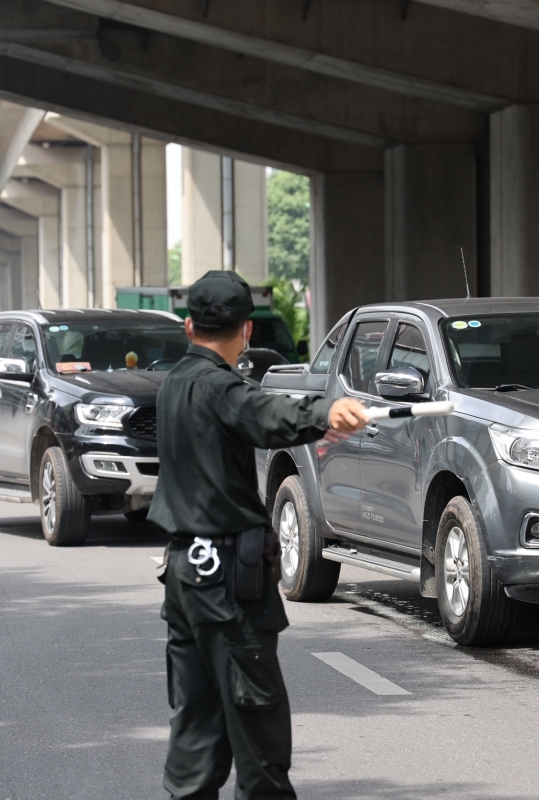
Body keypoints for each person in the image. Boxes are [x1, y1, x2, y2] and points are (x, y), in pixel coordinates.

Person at [149, 270, 368, 800]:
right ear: (247, 331)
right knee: (259, 741)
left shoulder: (175, 383)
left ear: (187, 325)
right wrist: (324, 411)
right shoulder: (219, 386)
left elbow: (252, 414)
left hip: (184, 574)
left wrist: (317, 422)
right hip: (225, 581)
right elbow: (261, 409)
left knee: (195, 733)